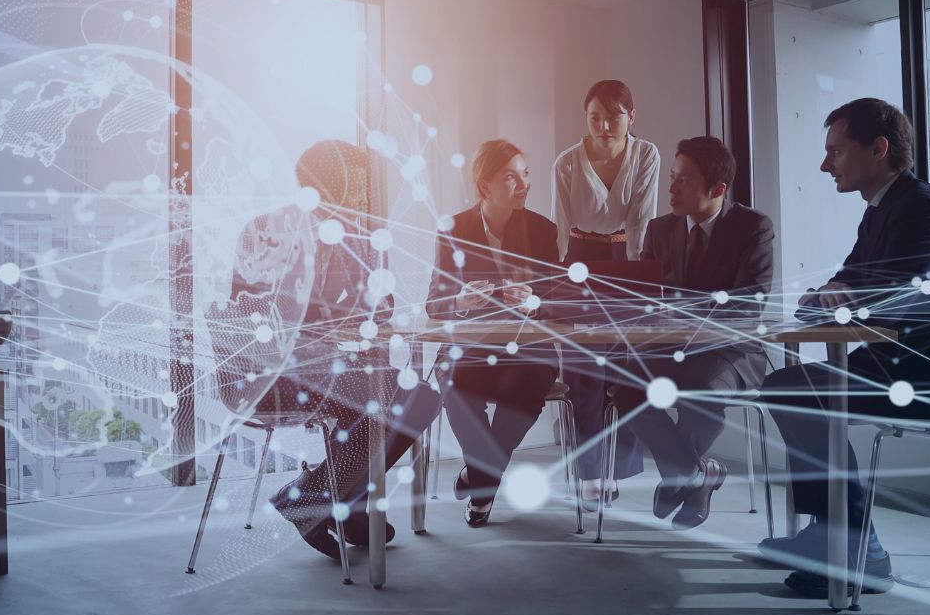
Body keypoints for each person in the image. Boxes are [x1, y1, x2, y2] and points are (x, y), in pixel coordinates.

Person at [756, 98, 930, 597]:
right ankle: (834, 533)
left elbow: (889, 305)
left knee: (797, 391)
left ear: (878, 149)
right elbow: (834, 293)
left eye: (836, 151)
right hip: (891, 363)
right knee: (789, 386)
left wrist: (842, 297)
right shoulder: (882, 212)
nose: (825, 165)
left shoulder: (925, 211)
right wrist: (831, 297)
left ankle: (855, 545)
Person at [224, 139, 441, 560]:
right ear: (326, 186)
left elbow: (374, 305)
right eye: (355, 187)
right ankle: (323, 499)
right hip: (265, 375)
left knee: (419, 398)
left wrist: (370, 295)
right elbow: (267, 320)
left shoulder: (347, 236)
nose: (362, 198)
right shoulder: (271, 232)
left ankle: (332, 499)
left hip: (324, 368)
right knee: (391, 397)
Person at [611, 136, 774, 529]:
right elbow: (647, 298)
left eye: (683, 180)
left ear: (717, 189)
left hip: (730, 350)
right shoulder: (659, 229)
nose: (671, 188)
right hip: (673, 347)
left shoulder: (753, 226)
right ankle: (695, 474)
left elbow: (750, 303)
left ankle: (679, 475)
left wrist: (683, 312)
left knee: (700, 389)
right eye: (672, 177)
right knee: (626, 385)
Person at [427, 139, 560, 526]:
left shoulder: (542, 230)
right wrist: (461, 301)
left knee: (526, 390)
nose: (524, 184)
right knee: (456, 385)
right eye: (510, 177)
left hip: (527, 347)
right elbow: (433, 304)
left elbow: (557, 301)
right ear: (484, 185)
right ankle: (485, 479)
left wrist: (533, 302)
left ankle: (479, 479)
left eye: (526, 174)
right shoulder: (453, 229)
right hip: (469, 346)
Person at [551, 79, 661, 508]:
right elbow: (561, 229)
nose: (603, 126)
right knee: (583, 371)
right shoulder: (566, 162)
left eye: (613, 116)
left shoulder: (646, 154)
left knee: (626, 366)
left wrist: (638, 286)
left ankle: (617, 466)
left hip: (626, 261)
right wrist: (560, 287)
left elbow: (642, 220)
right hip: (578, 263)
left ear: (631, 116)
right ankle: (590, 472)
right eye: (594, 117)